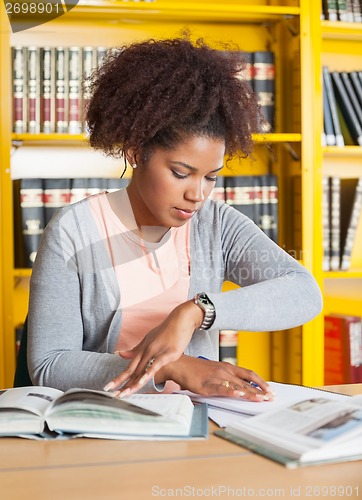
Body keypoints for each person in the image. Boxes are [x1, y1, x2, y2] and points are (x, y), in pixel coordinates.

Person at [27, 35, 322, 402]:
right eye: (181, 173)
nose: (197, 194)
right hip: (99, 426)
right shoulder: (74, 232)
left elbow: (304, 292)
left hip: (195, 424)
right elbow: (50, 364)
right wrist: (168, 366)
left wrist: (197, 311)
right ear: (136, 153)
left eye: (210, 177)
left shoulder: (216, 227)